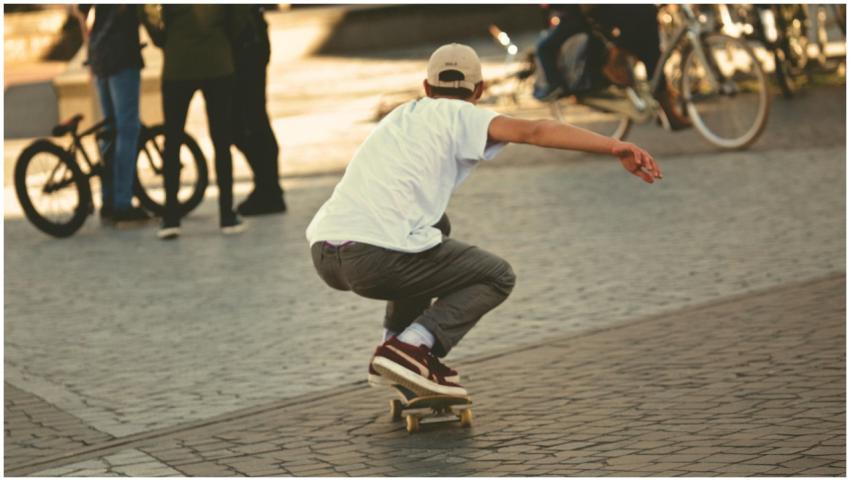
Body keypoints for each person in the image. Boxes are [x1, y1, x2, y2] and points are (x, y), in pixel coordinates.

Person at [306, 43, 662, 397]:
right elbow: (536, 131)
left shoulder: (399, 116)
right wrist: (615, 146)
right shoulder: (465, 115)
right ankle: (412, 348)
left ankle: (392, 349)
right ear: (479, 91)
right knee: (496, 275)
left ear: (427, 88)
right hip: (376, 258)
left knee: (435, 229)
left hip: (325, 253)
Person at [141, 5, 248, 239]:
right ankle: (227, 215)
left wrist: (167, 39)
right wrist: (222, 37)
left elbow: (148, 12)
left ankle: (171, 218)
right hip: (218, 62)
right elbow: (239, 15)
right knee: (221, 141)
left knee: (173, 141)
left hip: (178, 64)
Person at [534, 5, 691, 130]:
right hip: (585, 9)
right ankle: (617, 56)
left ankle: (666, 108)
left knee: (650, 40)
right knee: (644, 12)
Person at [76, 5, 151, 225]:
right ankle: (122, 203)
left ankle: (108, 199)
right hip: (123, 57)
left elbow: (80, 10)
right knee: (128, 130)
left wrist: (89, 49)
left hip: (100, 57)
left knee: (110, 130)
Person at [231, 5, 288, 217]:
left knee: (250, 121)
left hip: (247, 48)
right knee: (249, 122)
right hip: (248, 46)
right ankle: (268, 185)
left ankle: (269, 188)